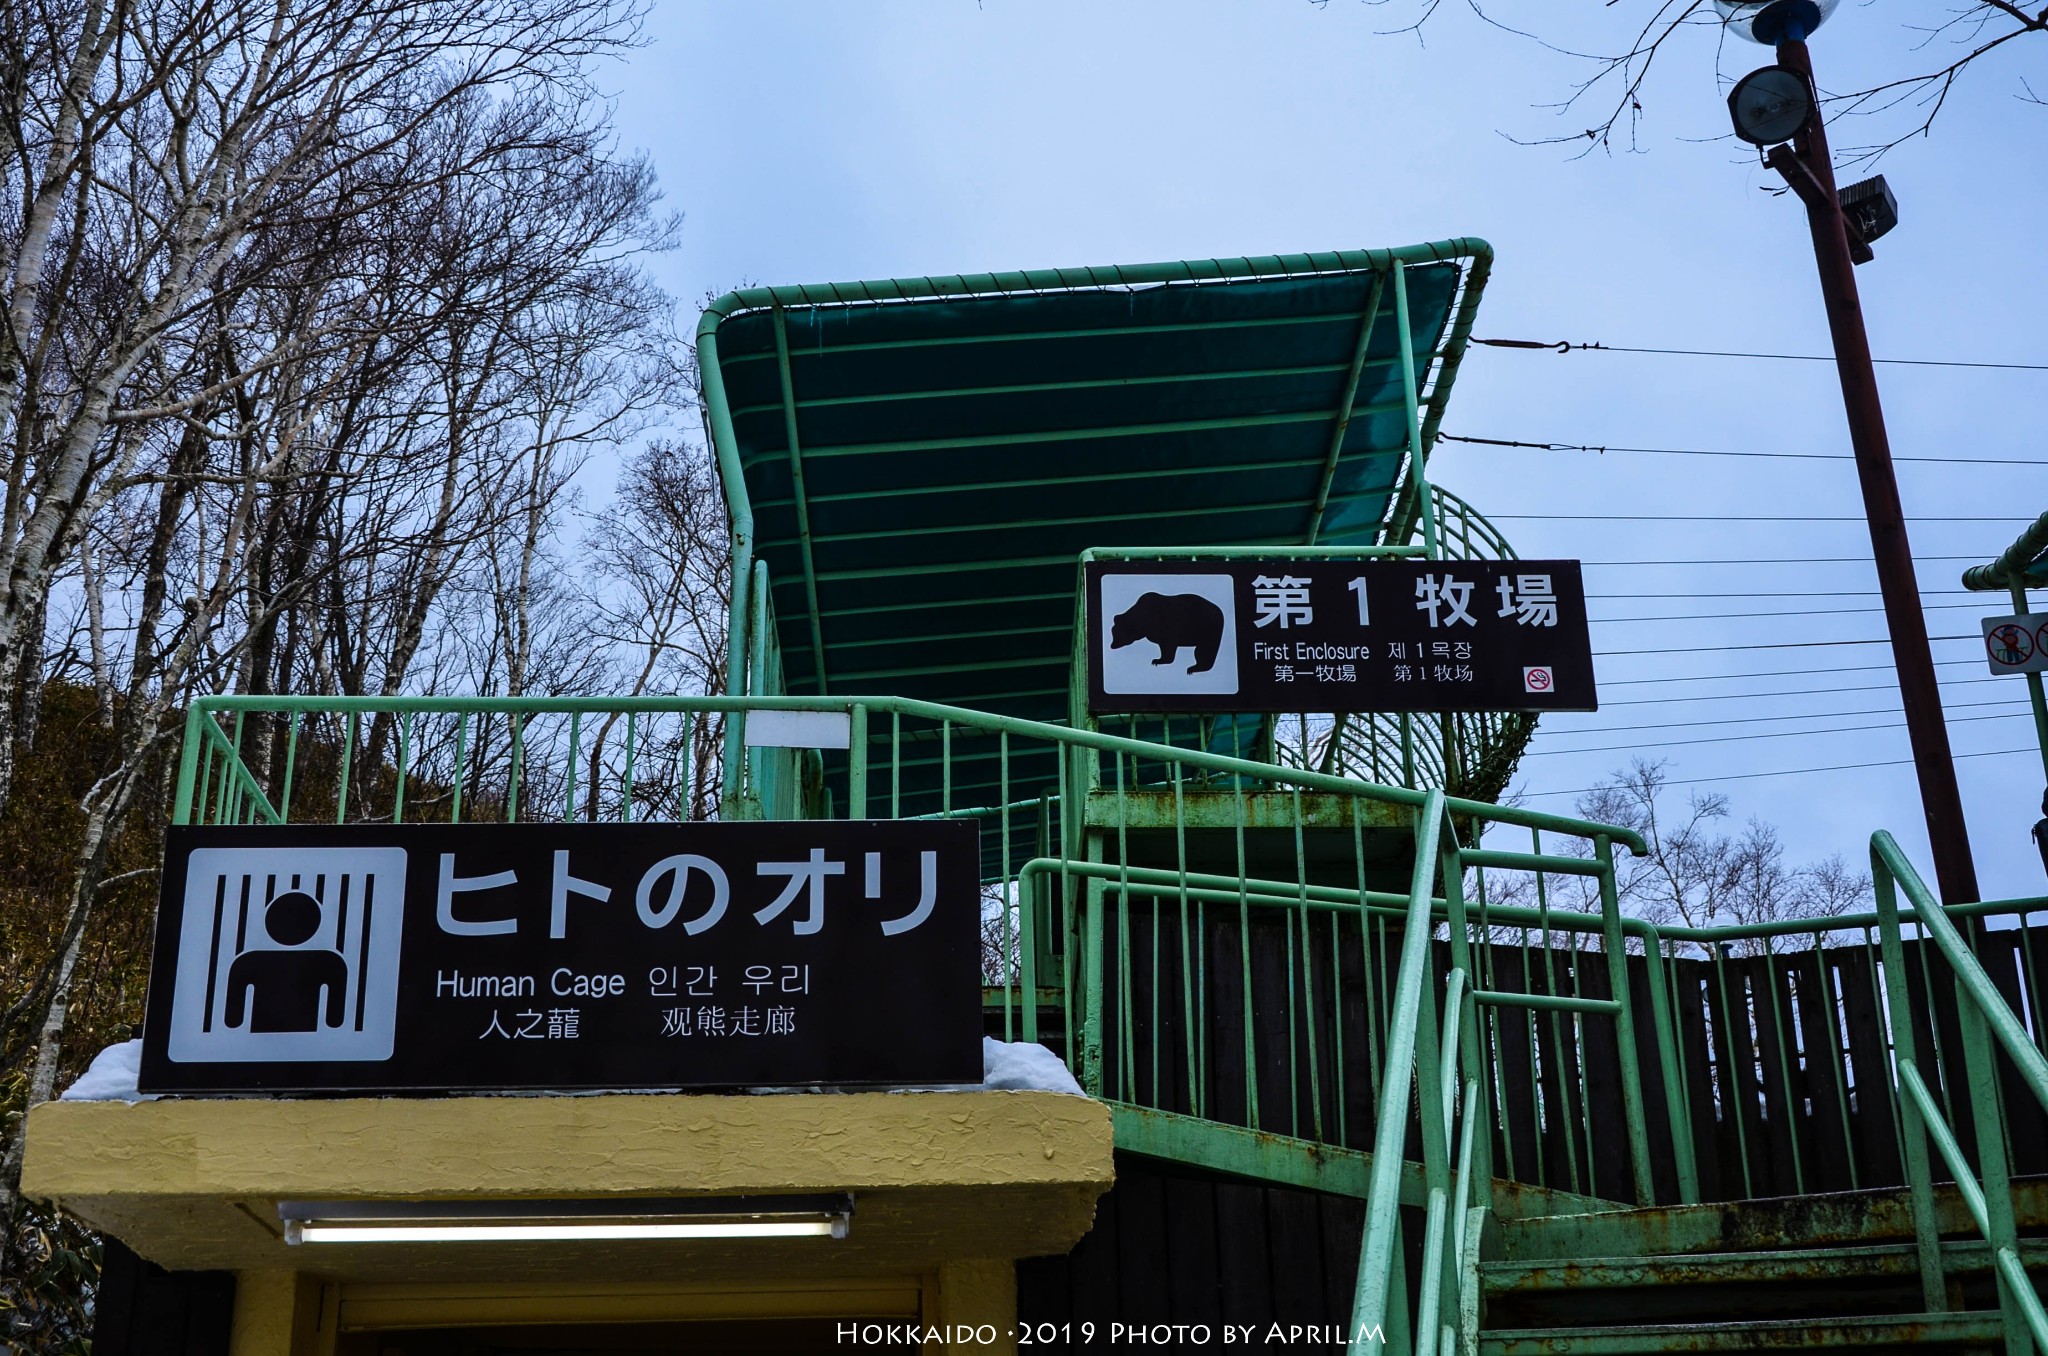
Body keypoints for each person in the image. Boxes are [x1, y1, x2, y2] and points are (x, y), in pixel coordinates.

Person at [224, 889, 349, 1033]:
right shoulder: (331, 962)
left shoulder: (247, 962)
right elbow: (335, 1020)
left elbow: (232, 1020)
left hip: (259, 1044)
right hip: (311, 1043)